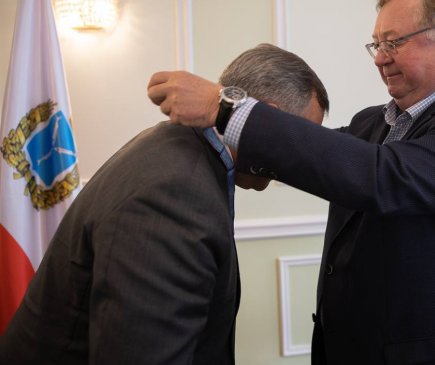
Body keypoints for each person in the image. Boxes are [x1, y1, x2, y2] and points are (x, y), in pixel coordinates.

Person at [147, 0, 435, 365]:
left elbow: (379, 177)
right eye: (376, 44)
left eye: (394, 42)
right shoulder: (371, 122)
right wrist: (224, 141)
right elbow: (315, 156)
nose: (380, 58)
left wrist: (225, 108)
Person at [0, 44, 328, 365]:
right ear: (266, 120)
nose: (298, 161)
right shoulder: (177, 194)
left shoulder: (179, 148)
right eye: (298, 140)